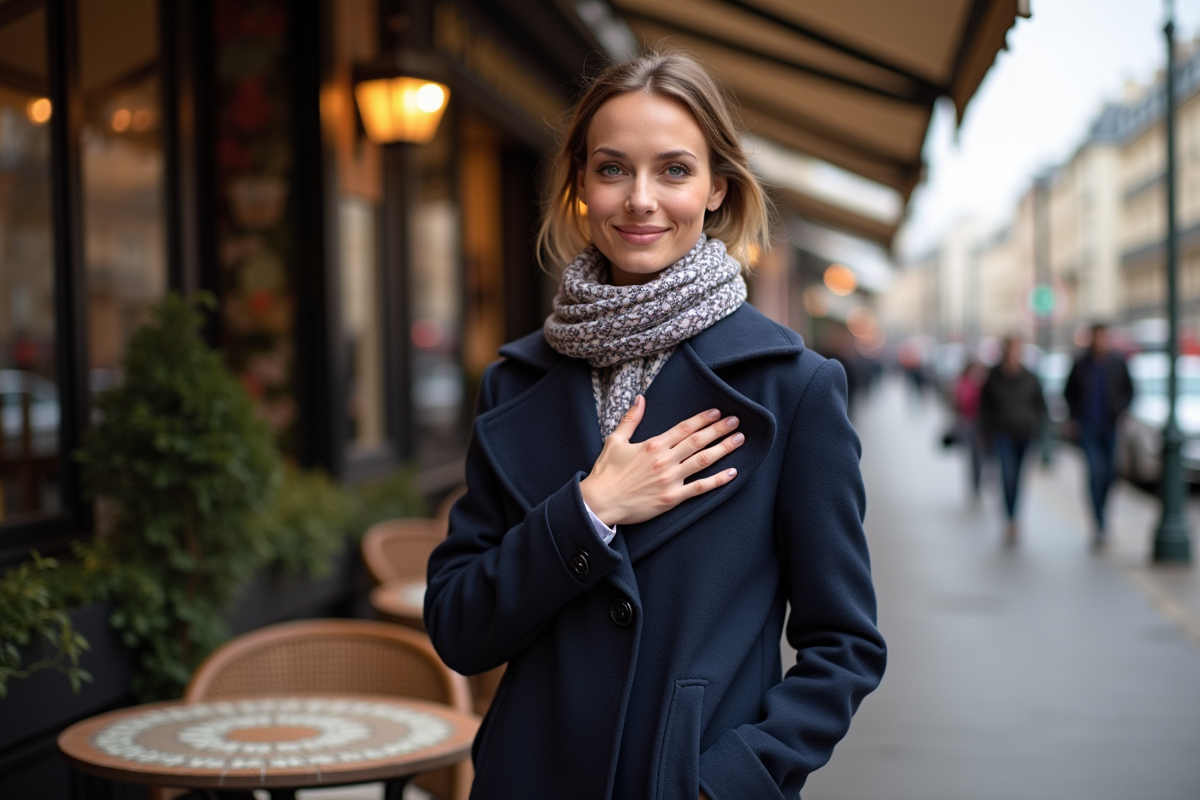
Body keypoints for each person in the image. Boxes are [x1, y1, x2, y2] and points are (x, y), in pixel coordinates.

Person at [424, 51, 885, 800]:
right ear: (580, 185)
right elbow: (458, 626)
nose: (640, 199)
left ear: (715, 189)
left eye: (673, 170)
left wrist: (730, 781)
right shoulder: (516, 379)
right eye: (612, 169)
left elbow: (845, 647)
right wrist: (587, 513)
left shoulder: (792, 387)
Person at [1063, 323, 1133, 546]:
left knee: (1111, 474)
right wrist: (1074, 417)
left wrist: (1121, 411)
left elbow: (1129, 390)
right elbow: (1069, 392)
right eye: (1097, 337)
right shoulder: (1081, 363)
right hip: (1088, 427)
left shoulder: (1117, 363)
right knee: (1096, 472)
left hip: (1110, 426)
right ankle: (1099, 522)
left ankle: (1102, 514)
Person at [980, 336, 1047, 543]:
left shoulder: (1030, 376)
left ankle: (1015, 516)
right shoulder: (994, 376)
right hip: (1002, 433)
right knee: (1007, 475)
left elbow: (1040, 405)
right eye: (1012, 349)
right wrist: (986, 431)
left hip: (1024, 434)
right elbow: (984, 406)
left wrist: (1038, 426)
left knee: (1018, 478)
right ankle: (1009, 519)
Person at [953, 359, 987, 500]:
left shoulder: (984, 383)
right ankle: (976, 483)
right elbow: (963, 403)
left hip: (984, 424)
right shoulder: (966, 383)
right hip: (971, 423)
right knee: (975, 456)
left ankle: (979, 481)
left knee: (982, 456)